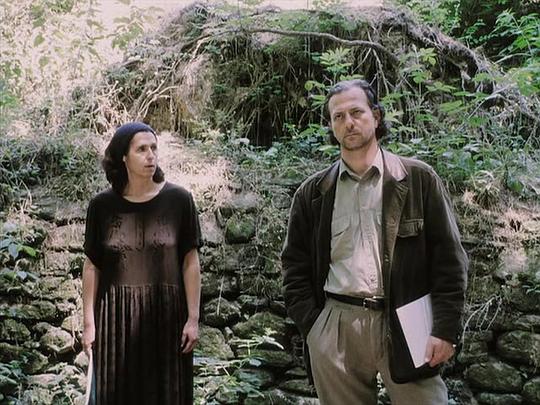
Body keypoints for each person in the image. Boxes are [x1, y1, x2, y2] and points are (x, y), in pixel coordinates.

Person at [281, 79, 468, 405]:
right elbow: (294, 267)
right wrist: (315, 328)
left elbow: (449, 261)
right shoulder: (313, 194)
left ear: (376, 116)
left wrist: (445, 328)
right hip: (336, 326)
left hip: (408, 320)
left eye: (356, 112)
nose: (348, 123)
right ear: (331, 126)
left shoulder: (418, 180)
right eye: (338, 117)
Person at [81, 122, 202, 404]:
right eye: (142, 149)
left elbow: (190, 262)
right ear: (123, 156)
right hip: (114, 319)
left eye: (154, 148)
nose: (151, 155)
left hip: (167, 318)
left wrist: (193, 319)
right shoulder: (101, 206)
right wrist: (89, 324)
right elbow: (91, 266)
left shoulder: (179, 200)